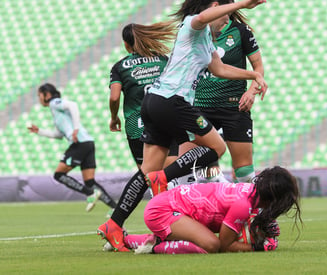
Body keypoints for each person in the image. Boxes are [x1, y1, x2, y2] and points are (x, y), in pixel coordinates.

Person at [97, 0, 268, 252]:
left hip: (155, 102)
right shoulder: (192, 25)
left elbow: (219, 69)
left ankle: (113, 224)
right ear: (215, 6)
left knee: (147, 172)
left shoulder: (206, 41)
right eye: (226, 14)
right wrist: (244, 3)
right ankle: (163, 178)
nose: (226, 21)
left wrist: (254, 75)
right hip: (173, 102)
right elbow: (204, 17)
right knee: (216, 148)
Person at [107, 166, 301, 254]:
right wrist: (257, 247)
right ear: (274, 197)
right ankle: (153, 247)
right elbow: (225, 245)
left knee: (205, 240)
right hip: (162, 210)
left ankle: (126, 239)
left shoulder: (251, 193)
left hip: (171, 206)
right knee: (210, 245)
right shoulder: (244, 204)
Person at [180, 8, 264, 183]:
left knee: (246, 174)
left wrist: (251, 92)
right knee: (190, 169)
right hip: (199, 106)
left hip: (234, 106)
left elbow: (258, 68)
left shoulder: (241, 31)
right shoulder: (195, 30)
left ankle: (250, 209)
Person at [28, 83, 117, 213]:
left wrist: (76, 128)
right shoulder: (56, 112)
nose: (39, 98)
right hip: (88, 143)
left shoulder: (54, 103)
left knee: (59, 174)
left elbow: (73, 105)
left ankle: (89, 193)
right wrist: (39, 131)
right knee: (90, 181)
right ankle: (115, 208)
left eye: (39, 95)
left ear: (47, 95)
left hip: (80, 143)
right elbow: (58, 135)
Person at [109, 22, 178, 169]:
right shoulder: (163, 60)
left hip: (138, 126)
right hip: (166, 120)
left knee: (147, 175)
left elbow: (114, 97)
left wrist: (114, 118)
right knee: (171, 170)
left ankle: (158, 192)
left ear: (126, 44)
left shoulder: (120, 67)